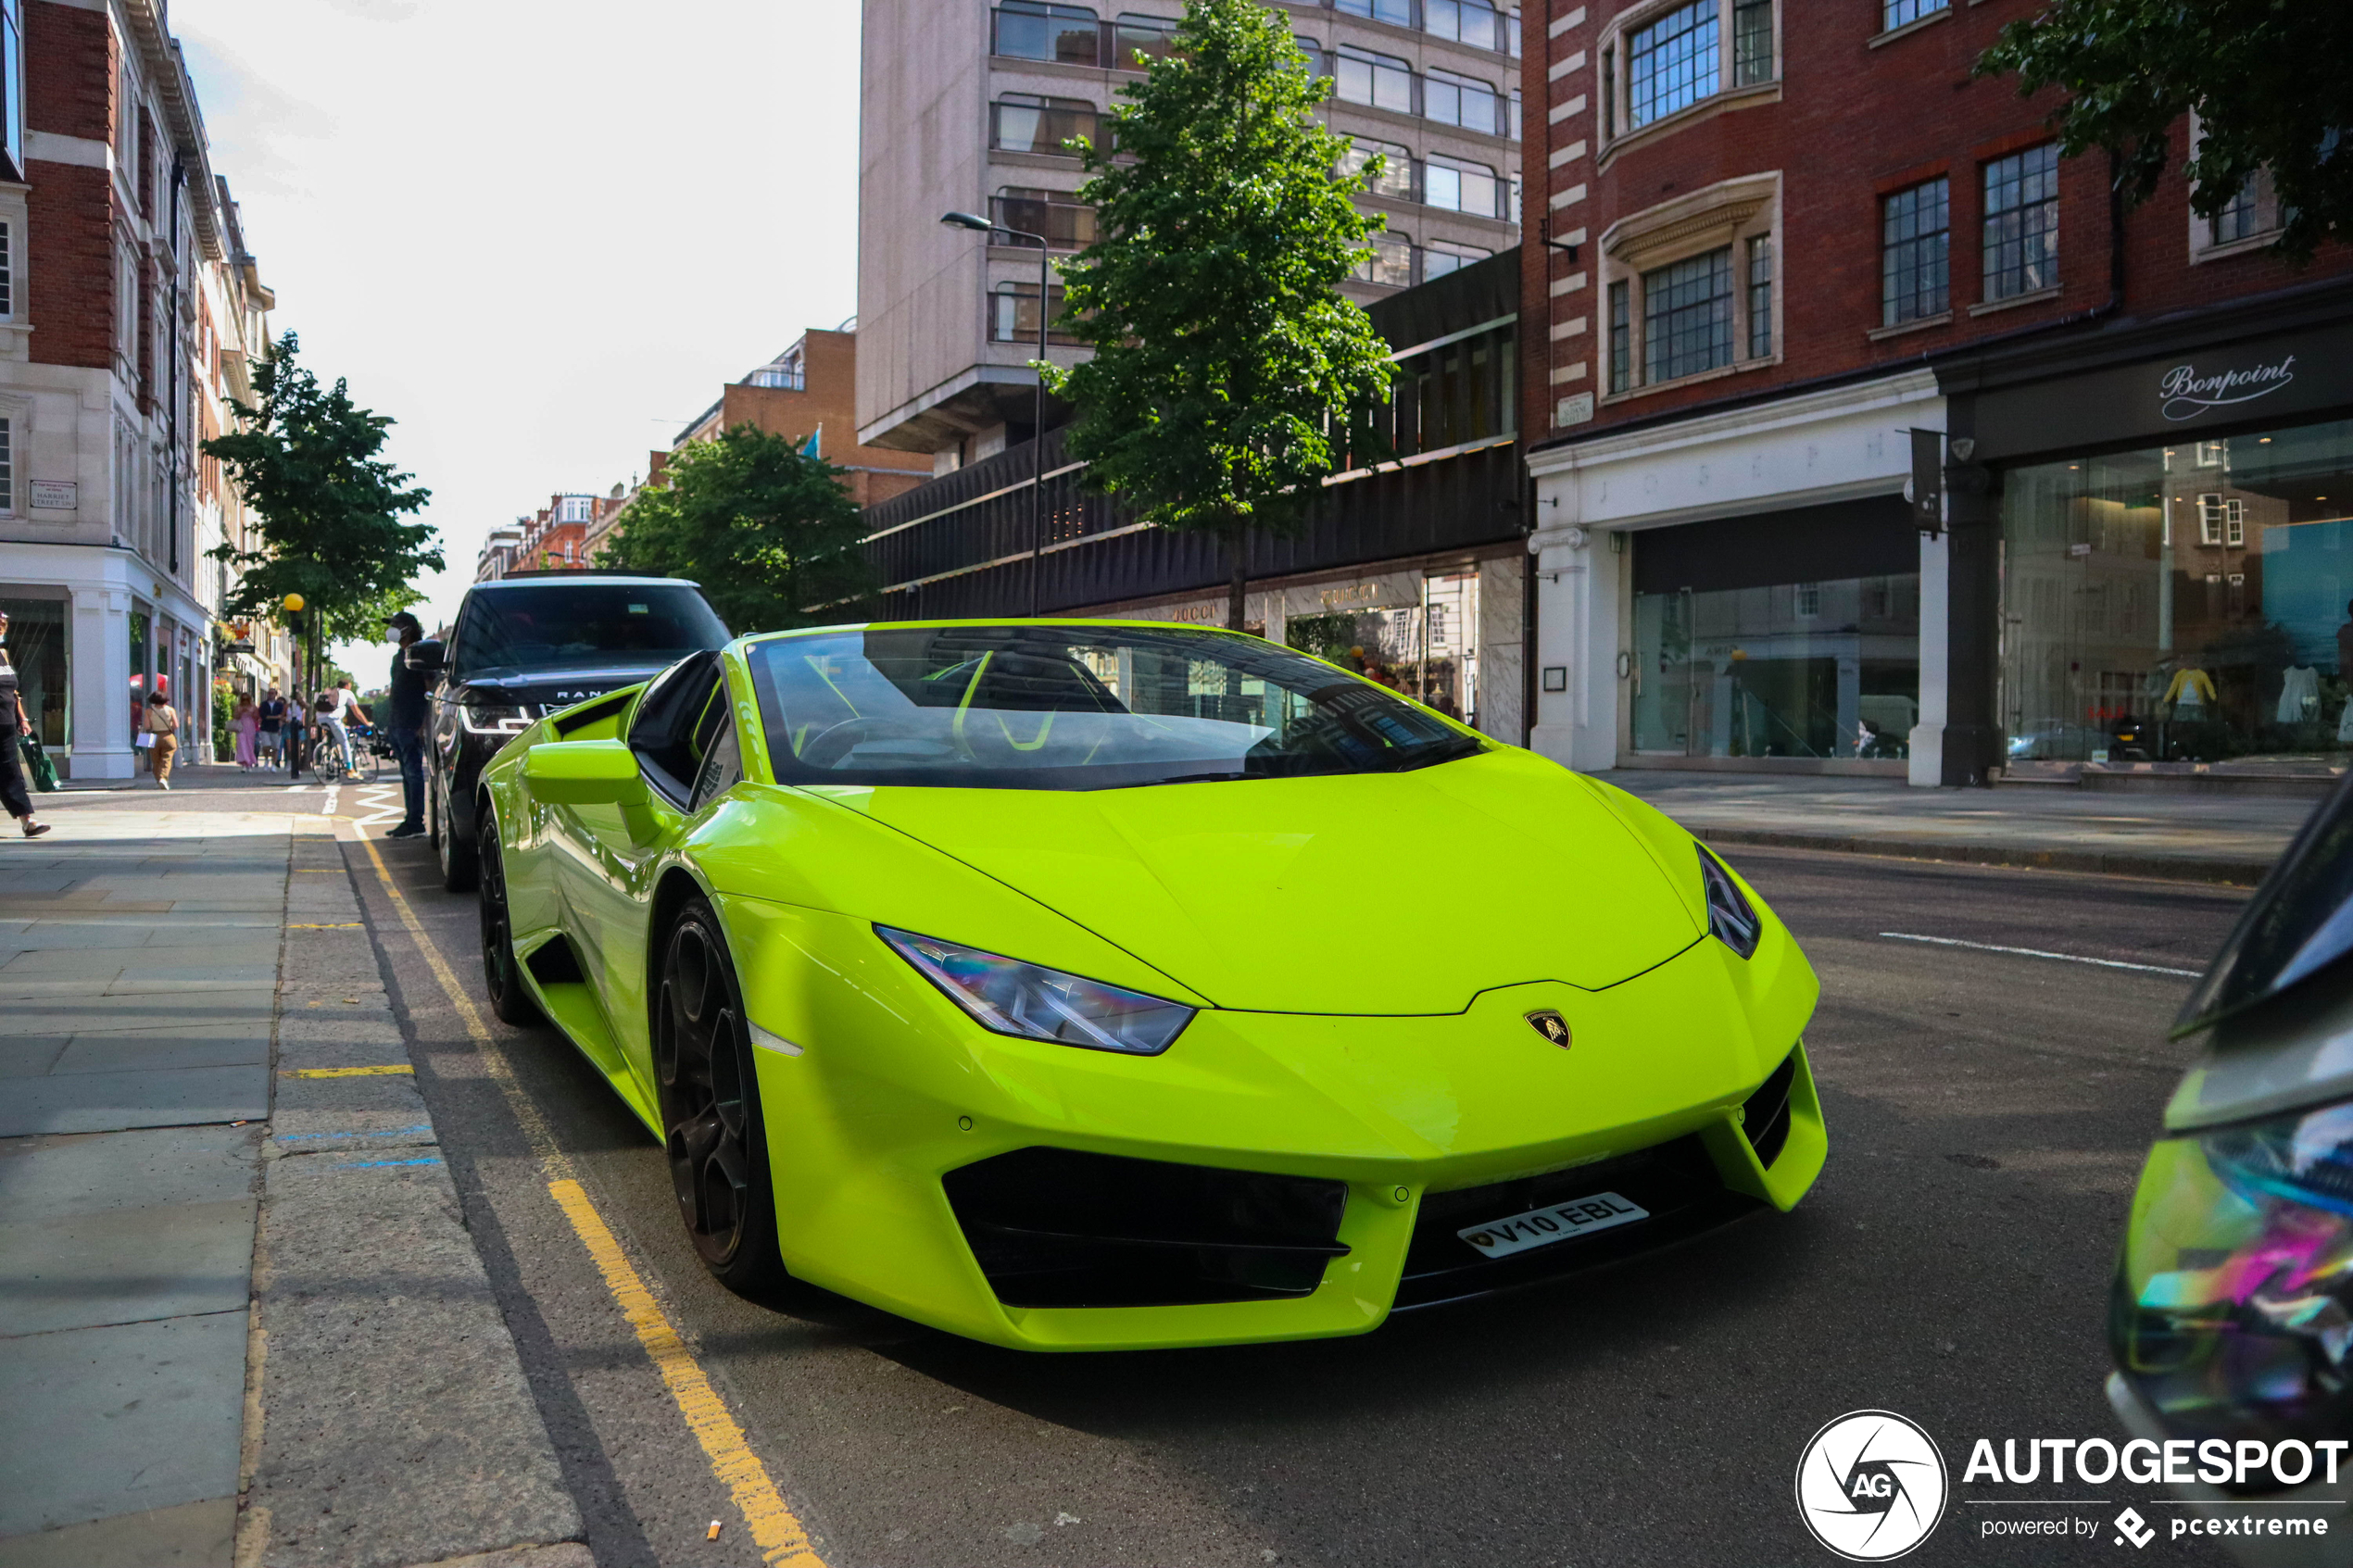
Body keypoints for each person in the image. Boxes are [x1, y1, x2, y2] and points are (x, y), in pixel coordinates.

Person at [0, 608, 51, 837]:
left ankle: (28, 821)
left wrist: (22, 718)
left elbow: (14, 691)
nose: (2, 629)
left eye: (3, 625)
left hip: (7, 723)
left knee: (12, 771)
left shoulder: (3, 654)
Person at [382, 611, 431, 839]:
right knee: (406, 774)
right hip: (398, 723)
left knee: (413, 773)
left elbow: (430, 689)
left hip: (412, 723)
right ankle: (410, 819)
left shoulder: (420, 654)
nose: (391, 629)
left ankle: (416, 822)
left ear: (408, 628)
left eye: (396, 625)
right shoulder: (396, 658)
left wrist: (424, 724)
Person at [313, 678, 371, 776]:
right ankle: (349, 768)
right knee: (344, 742)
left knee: (335, 738)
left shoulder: (332, 692)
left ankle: (331, 753)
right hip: (333, 720)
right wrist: (367, 723)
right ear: (347, 686)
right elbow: (357, 712)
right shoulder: (348, 693)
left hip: (320, 719)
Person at [143, 688, 181, 789]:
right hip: (168, 736)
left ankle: (159, 779)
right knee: (166, 759)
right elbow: (176, 726)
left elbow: (147, 726)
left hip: (153, 737)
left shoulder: (148, 711)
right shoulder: (171, 710)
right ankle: (163, 778)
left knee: (155, 760)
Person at [257, 686, 285, 767]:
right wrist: (276, 717)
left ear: (276, 694)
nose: (270, 695)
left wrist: (278, 718)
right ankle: (266, 759)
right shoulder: (263, 704)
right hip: (265, 727)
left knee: (276, 748)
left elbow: (282, 715)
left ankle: (273, 764)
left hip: (275, 728)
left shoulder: (279, 705)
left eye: (272, 693)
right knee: (266, 746)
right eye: (269, 693)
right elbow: (263, 715)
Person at [232, 695, 259, 769]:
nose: (245, 701)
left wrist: (250, 713)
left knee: (250, 745)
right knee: (241, 743)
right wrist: (241, 712)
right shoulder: (238, 707)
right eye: (243, 699)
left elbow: (257, 717)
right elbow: (235, 716)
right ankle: (244, 762)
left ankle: (250, 762)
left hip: (250, 726)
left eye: (246, 699)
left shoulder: (253, 707)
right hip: (241, 726)